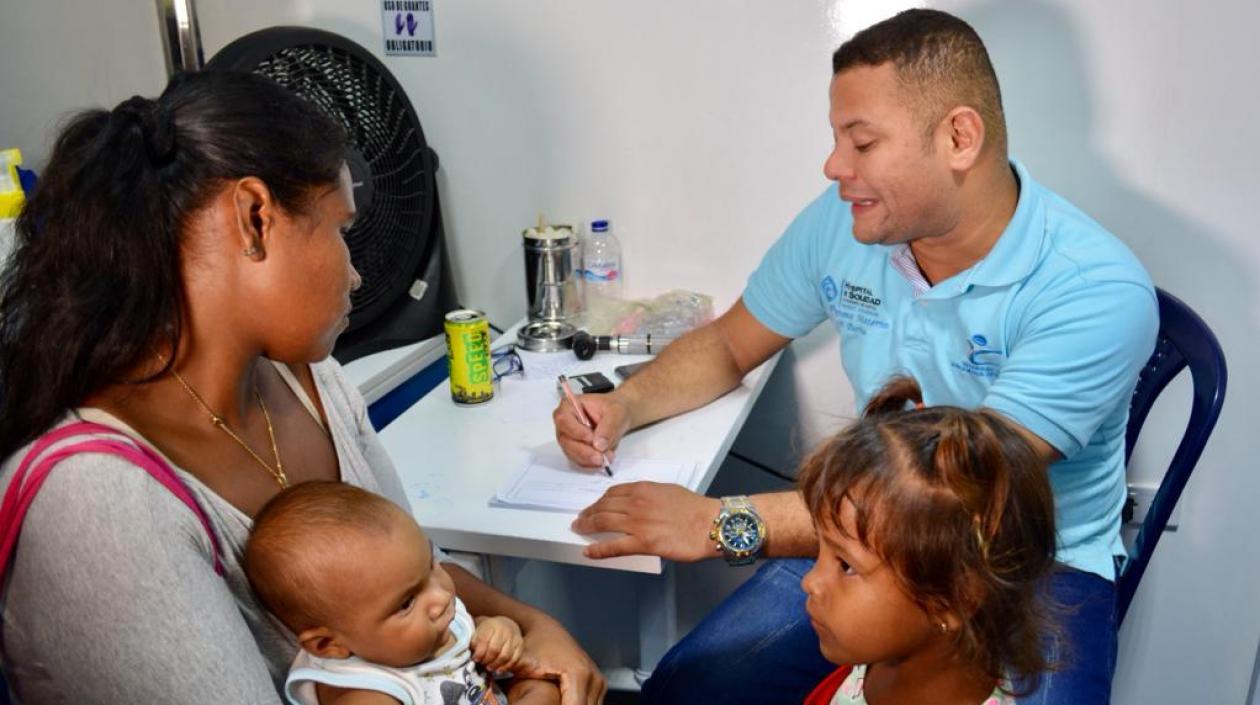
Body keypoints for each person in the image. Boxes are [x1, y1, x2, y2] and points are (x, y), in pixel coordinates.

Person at [552, 8, 1157, 704]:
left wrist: (718, 522)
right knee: (690, 687)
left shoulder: (1095, 288)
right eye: (837, 138)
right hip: (859, 544)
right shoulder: (849, 220)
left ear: (960, 137)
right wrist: (621, 405)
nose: (834, 166)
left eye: (861, 141)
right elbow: (727, 343)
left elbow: (954, 498)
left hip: (1034, 565)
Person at [0, 70, 604, 705]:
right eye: (341, 230)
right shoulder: (97, 503)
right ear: (255, 218)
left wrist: (539, 628)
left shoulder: (308, 380)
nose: (357, 274)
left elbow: (411, 574)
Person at [797, 377, 1058, 705]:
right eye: (821, 550)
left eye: (846, 566)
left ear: (952, 598)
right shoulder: (884, 653)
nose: (810, 582)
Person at [245, 482, 559, 705]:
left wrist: (498, 629)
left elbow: (474, 640)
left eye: (431, 566)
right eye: (407, 603)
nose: (440, 598)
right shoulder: (366, 692)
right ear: (330, 644)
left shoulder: (424, 623)